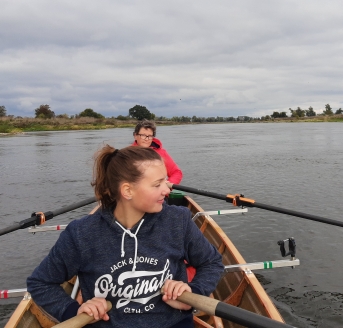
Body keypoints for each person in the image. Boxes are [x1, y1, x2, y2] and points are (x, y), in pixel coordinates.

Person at [27, 146, 224, 328]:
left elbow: (211, 262)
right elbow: (41, 282)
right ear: (128, 191)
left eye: (165, 180)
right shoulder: (82, 234)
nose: (167, 189)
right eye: (157, 184)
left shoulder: (177, 221)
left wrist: (193, 292)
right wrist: (74, 310)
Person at [132, 120, 183, 185]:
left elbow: (176, 172)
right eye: (143, 135)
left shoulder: (161, 153)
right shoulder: (127, 154)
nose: (146, 139)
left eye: (150, 136)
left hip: (158, 193)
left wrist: (166, 186)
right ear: (135, 136)